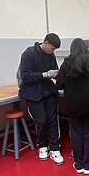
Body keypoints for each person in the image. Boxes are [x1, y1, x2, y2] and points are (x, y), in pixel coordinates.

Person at [56, 38, 89, 175]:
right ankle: (88, 164)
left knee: (76, 134)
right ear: (85, 48)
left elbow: (59, 85)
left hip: (73, 105)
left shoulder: (66, 64)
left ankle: (78, 164)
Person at [18, 33, 64, 165]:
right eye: (52, 48)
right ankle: (42, 146)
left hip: (48, 91)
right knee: (42, 121)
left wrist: (58, 74)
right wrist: (44, 74)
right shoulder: (28, 54)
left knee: (52, 120)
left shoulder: (51, 55)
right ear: (46, 42)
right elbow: (26, 76)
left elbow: (55, 71)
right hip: (34, 93)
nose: (53, 51)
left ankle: (55, 148)